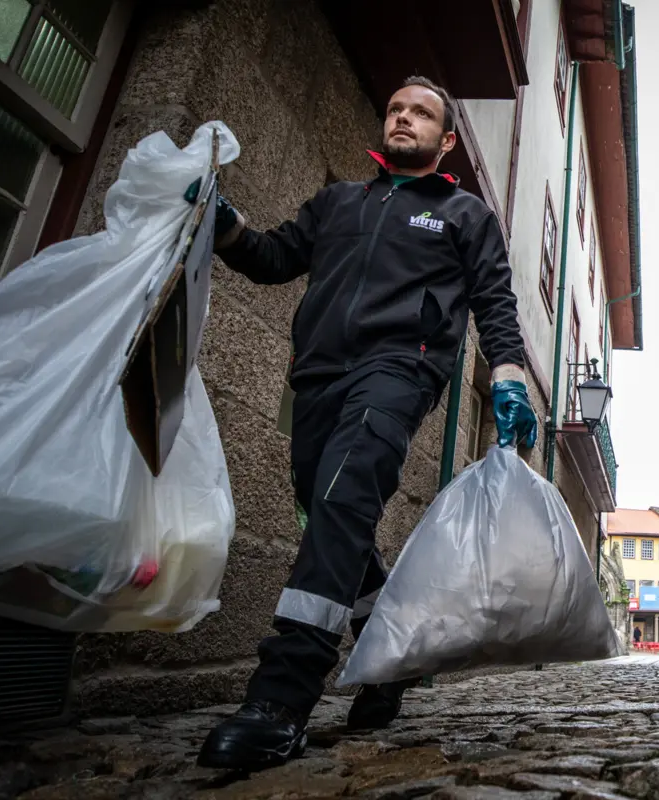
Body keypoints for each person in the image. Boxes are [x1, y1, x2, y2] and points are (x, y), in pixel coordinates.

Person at [194, 76, 539, 771]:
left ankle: (282, 697)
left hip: (400, 371)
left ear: (446, 142)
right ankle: (394, 657)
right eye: (396, 110)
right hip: (320, 375)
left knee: (343, 499)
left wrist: (508, 377)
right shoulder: (336, 203)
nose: (403, 118)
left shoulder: (464, 215)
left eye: (420, 114)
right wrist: (222, 222)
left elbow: (495, 301)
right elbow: (272, 259)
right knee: (327, 508)